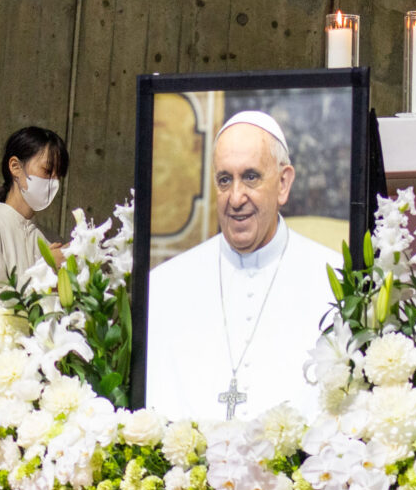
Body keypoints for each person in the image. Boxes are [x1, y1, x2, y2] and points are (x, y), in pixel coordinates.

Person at [144, 111, 339, 420]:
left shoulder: (335, 281)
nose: (235, 198)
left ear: (283, 183)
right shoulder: (164, 286)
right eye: (225, 180)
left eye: (250, 177)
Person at [0, 126, 68, 306]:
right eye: (47, 171)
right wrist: (45, 270)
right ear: (15, 167)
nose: (53, 182)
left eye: (58, 176)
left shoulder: (53, 240)